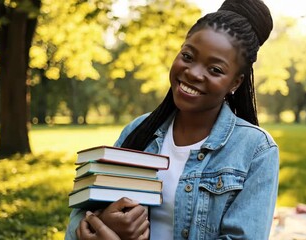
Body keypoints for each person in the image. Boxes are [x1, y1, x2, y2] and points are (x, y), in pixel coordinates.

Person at [65, 0, 279, 239]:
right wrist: (99, 225)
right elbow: (83, 214)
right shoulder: (137, 131)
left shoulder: (256, 151)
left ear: (235, 83)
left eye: (215, 70)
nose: (193, 73)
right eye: (188, 56)